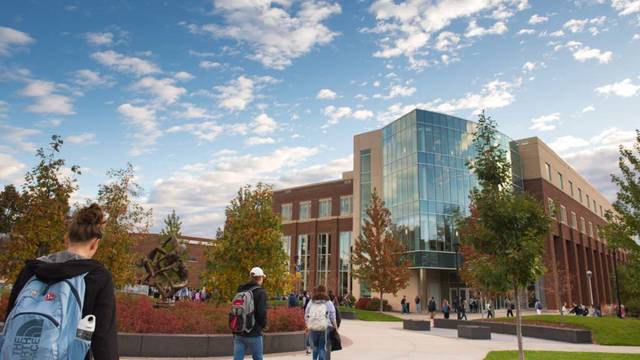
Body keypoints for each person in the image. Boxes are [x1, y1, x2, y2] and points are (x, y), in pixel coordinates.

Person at [2, 203, 118, 360]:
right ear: (95, 243)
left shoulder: (31, 270)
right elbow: (103, 339)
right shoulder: (97, 276)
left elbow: (11, 319)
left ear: (67, 238)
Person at [232, 267, 268, 360]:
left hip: (239, 331)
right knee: (258, 358)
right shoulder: (261, 292)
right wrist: (263, 326)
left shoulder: (241, 290)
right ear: (260, 278)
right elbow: (261, 313)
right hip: (254, 332)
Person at [305, 285, 338, 360]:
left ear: (317, 291)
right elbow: (333, 316)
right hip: (325, 328)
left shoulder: (311, 301)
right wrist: (335, 328)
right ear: (325, 291)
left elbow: (306, 314)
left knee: (315, 347)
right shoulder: (328, 302)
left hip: (313, 327)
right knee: (322, 348)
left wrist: (307, 325)